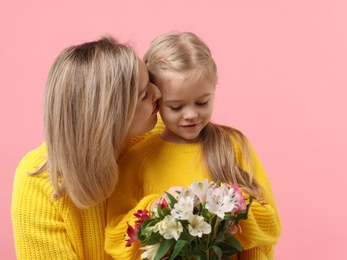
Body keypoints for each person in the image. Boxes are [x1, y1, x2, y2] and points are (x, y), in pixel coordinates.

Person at [105, 32, 281, 259]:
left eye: (202, 102)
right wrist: (156, 208)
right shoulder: (137, 159)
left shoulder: (233, 146)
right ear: (156, 99)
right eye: (176, 107)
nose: (191, 115)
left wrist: (226, 207)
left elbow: (270, 224)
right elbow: (115, 240)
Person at [11, 36, 162, 259]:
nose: (158, 94)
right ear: (110, 114)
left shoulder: (160, 135)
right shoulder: (39, 184)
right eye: (143, 95)